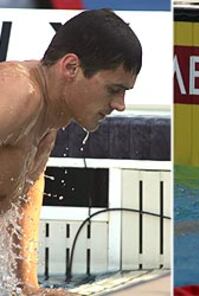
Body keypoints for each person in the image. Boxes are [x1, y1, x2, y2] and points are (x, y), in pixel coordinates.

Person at [0, 8, 142, 295]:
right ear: (71, 67)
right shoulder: (19, 94)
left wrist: (28, 288)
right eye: (114, 89)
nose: (120, 104)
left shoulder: (49, 120)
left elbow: (24, 195)